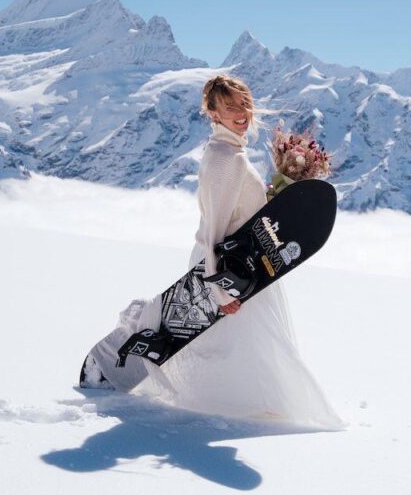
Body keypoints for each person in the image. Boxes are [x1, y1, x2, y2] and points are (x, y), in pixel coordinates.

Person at [82, 74, 343, 430]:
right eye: (230, 106)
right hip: (225, 267)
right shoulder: (226, 158)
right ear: (213, 112)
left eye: (244, 105)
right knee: (243, 343)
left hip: (238, 264)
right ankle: (241, 407)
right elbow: (213, 229)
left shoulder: (230, 151)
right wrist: (219, 288)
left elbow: (236, 212)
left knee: (236, 343)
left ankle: (248, 404)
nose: (240, 112)